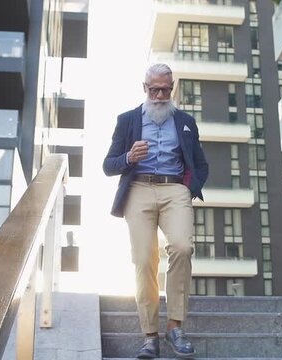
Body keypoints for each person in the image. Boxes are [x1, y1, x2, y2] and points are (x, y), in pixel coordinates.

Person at [103, 63, 208, 359]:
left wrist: (190, 186)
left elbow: (200, 164)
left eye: (165, 89)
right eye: (154, 89)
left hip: (175, 189)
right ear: (144, 88)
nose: (160, 95)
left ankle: (175, 326)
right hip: (138, 188)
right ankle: (150, 336)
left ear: (172, 87)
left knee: (183, 247)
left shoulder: (186, 121)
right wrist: (127, 156)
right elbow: (108, 165)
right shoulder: (127, 121)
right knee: (143, 258)